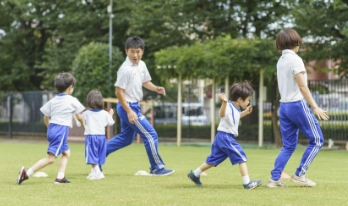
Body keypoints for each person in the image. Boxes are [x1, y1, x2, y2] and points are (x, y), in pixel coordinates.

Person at [267, 28, 329, 188]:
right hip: (297, 104)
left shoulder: (281, 61)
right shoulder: (295, 60)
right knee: (317, 140)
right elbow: (302, 86)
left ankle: (274, 179)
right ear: (296, 41)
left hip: (284, 106)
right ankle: (300, 174)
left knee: (288, 145)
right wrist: (315, 107)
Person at [105, 36, 174, 176]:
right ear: (126, 51)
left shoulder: (141, 65)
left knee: (125, 139)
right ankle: (157, 168)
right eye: (132, 51)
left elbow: (145, 81)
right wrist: (129, 111)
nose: (135, 55)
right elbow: (118, 93)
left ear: (142, 51)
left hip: (133, 106)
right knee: (150, 135)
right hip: (127, 107)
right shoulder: (125, 69)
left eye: (138, 51)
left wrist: (156, 88)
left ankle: (97, 154)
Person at [187, 81, 262, 190]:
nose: (248, 102)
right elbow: (222, 114)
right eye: (248, 100)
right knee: (241, 157)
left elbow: (233, 119)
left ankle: (195, 174)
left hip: (221, 137)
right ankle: (247, 183)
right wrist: (224, 103)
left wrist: (245, 113)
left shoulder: (235, 109)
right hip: (226, 137)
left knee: (213, 160)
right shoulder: (228, 106)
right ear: (240, 99)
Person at [17, 72, 85, 184]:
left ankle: (60, 177)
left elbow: (45, 117)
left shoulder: (52, 100)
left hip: (52, 128)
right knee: (51, 159)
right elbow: (79, 116)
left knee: (66, 153)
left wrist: (50, 128)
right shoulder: (73, 100)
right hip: (61, 131)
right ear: (70, 87)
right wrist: (83, 124)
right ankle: (26, 173)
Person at [76, 90, 115, 180]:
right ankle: (93, 173)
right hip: (102, 137)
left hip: (91, 137)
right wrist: (111, 114)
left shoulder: (86, 114)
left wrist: (76, 117)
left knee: (91, 155)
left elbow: (79, 124)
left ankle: (98, 172)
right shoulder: (104, 113)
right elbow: (110, 123)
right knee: (97, 155)